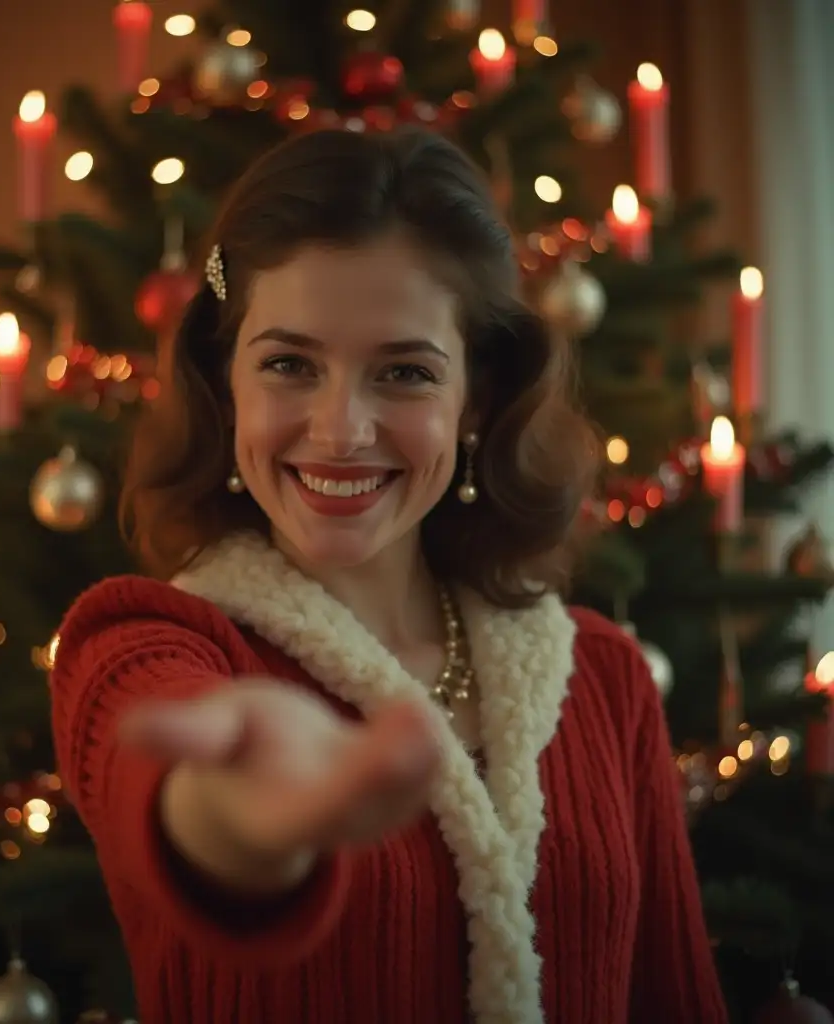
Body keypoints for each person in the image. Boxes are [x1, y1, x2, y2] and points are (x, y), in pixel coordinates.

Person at [50, 126, 728, 1024]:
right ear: (224, 383)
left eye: (405, 372)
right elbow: (180, 805)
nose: (341, 431)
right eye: (290, 365)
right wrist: (247, 813)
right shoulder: (142, 643)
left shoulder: (606, 678)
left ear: (476, 401)